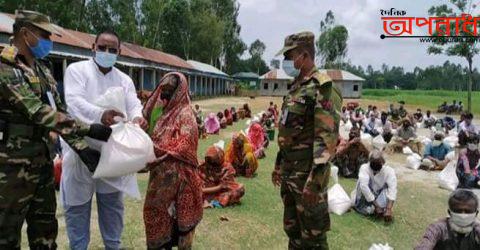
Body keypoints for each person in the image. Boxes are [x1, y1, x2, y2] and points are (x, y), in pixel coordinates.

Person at [0, 10, 112, 249]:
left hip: (42, 165)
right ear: (25, 33)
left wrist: (83, 150)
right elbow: (39, 111)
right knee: (6, 235)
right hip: (10, 168)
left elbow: (60, 112)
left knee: (46, 233)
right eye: (44, 35)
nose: (49, 41)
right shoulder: (5, 66)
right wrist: (89, 129)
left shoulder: (43, 71)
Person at [62, 29, 147, 250]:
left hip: (112, 157)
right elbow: (74, 103)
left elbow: (134, 103)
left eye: (112, 49)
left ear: (119, 51)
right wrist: (100, 115)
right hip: (80, 153)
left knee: (112, 211)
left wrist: (138, 117)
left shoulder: (124, 79)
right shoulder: (77, 71)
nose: (106, 52)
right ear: (93, 47)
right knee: (77, 210)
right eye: (102, 48)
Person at [272, 31, 342, 249]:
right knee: (293, 231)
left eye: (289, 56)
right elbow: (288, 132)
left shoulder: (322, 88)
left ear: (303, 55)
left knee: (313, 237)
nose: (286, 62)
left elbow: (326, 138)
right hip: (290, 172)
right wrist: (278, 165)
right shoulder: (296, 87)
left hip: (307, 177)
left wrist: (315, 181)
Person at [143, 72, 203, 249]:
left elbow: (185, 144)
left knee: (183, 230)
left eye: (170, 90)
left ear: (180, 91)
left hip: (183, 181)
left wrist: (159, 154)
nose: (164, 94)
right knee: (156, 218)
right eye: (163, 89)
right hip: (160, 181)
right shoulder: (161, 114)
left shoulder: (186, 113)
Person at [415, 189, 480, 250]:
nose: (463, 215)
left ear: (476, 213)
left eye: (468, 211)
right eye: (458, 211)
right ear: (449, 212)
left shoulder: (477, 230)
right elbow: (426, 243)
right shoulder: (438, 228)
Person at [354, 150, 397, 222]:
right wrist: (377, 206)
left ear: (383, 163)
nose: (375, 166)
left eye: (378, 163)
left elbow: (392, 189)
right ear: (369, 162)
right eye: (373, 163)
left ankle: (382, 210)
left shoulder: (389, 171)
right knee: (362, 184)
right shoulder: (364, 168)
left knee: (387, 187)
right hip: (365, 197)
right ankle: (367, 208)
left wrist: (389, 209)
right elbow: (364, 187)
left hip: (378, 194)